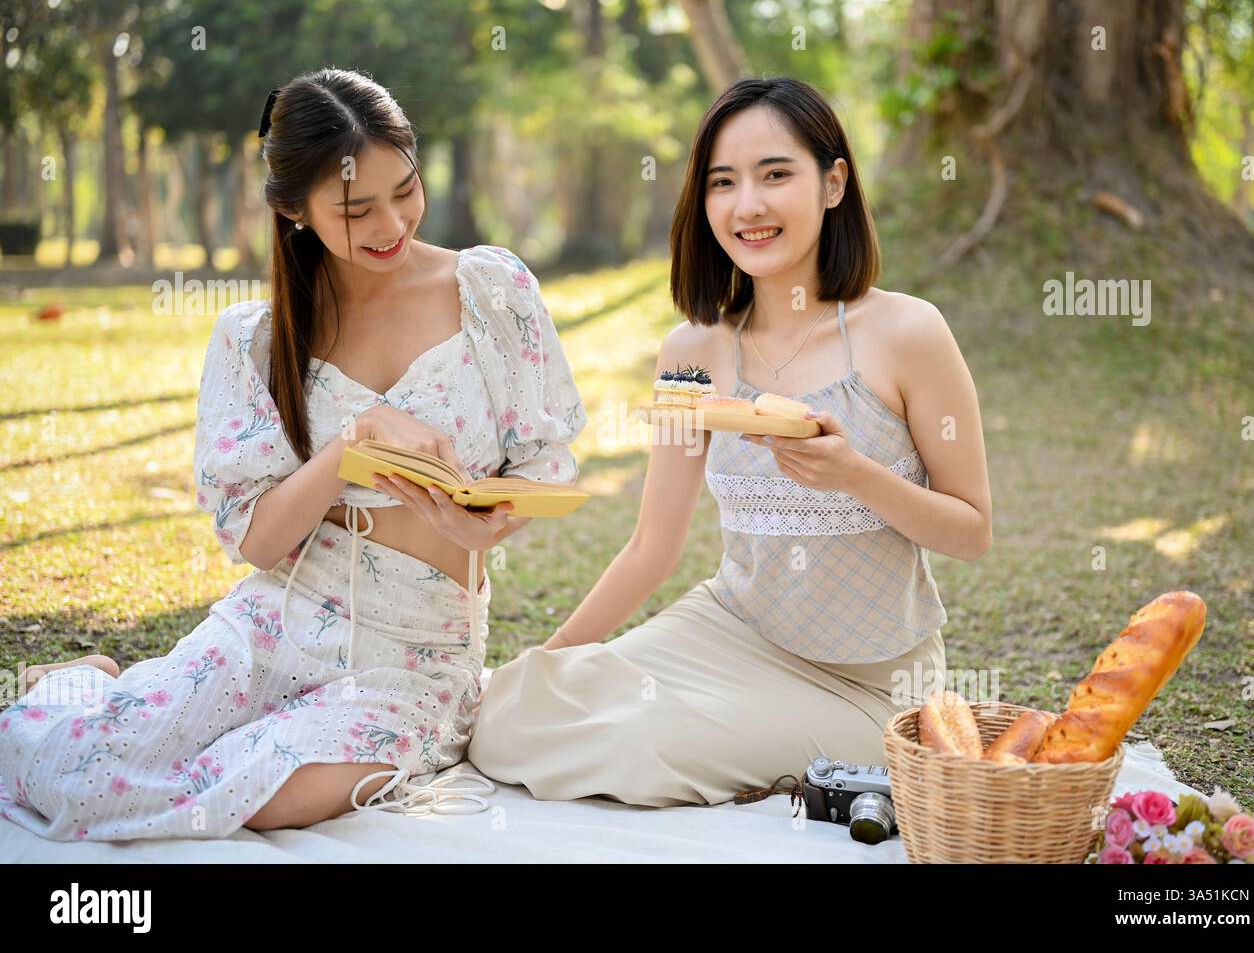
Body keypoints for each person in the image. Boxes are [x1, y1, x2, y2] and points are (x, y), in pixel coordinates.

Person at [0, 67, 586, 841]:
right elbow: (258, 541)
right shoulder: (256, 339)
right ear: (294, 210)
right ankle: (82, 686)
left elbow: (547, 459)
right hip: (283, 616)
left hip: (415, 653)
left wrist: (493, 524)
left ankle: (135, 693)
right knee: (82, 779)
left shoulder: (492, 289)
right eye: (356, 209)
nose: (391, 225)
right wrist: (352, 445)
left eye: (404, 191)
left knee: (254, 788)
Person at [468, 76, 992, 807]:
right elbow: (654, 545)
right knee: (504, 716)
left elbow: (971, 532)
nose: (747, 205)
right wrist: (550, 663)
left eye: (775, 174)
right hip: (726, 628)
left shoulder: (907, 332)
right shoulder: (692, 353)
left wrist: (856, 476)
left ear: (833, 182)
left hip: (868, 680)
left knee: (634, 747)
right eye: (723, 182)